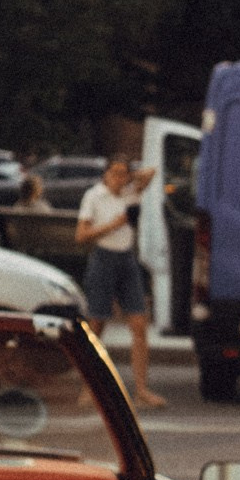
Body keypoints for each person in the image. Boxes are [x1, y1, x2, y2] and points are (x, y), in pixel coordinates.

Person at [75, 156, 164, 408]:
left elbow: (151, 172)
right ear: (105, 174)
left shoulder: (130, 192)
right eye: (113, 173)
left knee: (139, 323)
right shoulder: (94, 196)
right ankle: (88, 387)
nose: (118, 178)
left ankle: (142, 389)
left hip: (126, 259)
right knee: (97, 323)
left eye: (122, 173)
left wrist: (129, 177)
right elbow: (81, 234)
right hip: (103, 257)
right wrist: (114, 224)